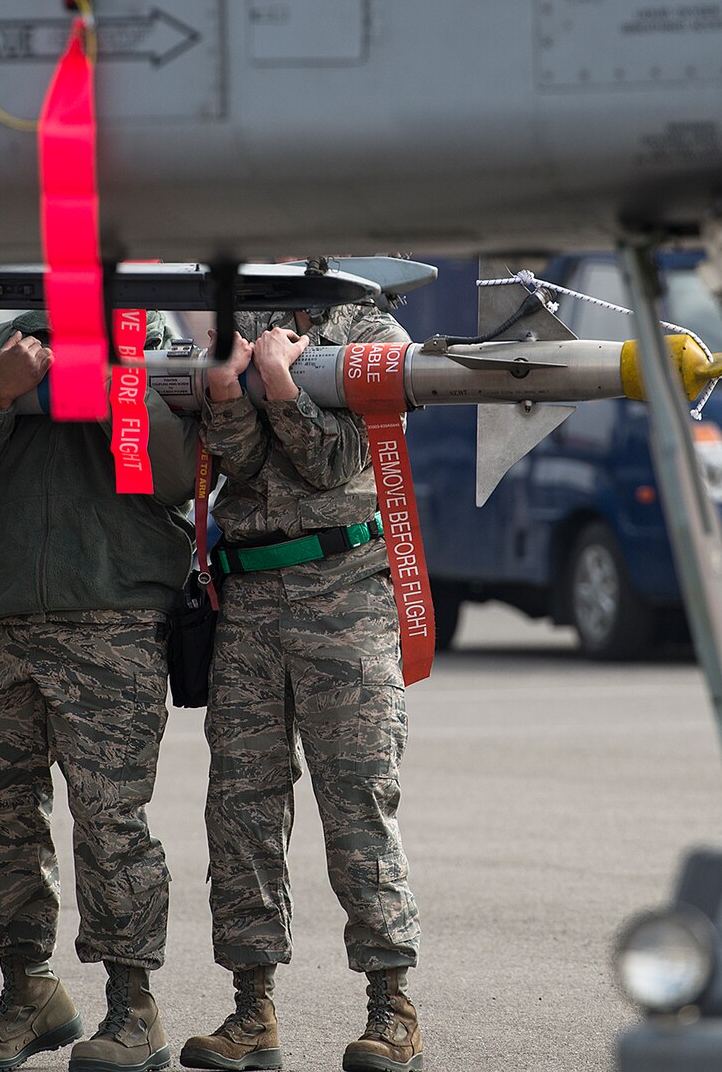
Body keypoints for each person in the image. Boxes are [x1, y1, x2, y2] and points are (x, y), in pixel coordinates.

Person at [0, 312, 199, 1072]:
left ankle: (133, 1008)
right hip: (6, 616)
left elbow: (174, 474)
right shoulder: (5, 342)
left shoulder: (153, 336)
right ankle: (29, 995)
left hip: (112, 612)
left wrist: (120, 379)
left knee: (110, 818)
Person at [182, 302, 424, 1072]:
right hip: (250, 598)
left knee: (356, 798)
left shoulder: (374, 336)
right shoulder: (240, 323)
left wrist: (281, 381)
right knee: (241, 804)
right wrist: (227, 395)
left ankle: (392, 1008)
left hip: (347, 591)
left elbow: (332, 460)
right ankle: (251, 1010)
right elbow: (242, 467)